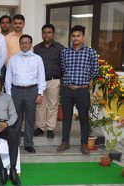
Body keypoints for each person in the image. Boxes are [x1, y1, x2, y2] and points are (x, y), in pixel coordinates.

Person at [57, 25, 98, 155]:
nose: (75, 38)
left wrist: (84, 81)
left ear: (83, 36)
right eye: (73, 36)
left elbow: (95, 70)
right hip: (67, 90)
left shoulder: (90, 52)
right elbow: (63, 69)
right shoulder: (65, 52)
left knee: (84, 118)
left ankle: (84, 144)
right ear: (71, 37)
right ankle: (65, 142)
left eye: (78, 36)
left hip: (82, 91)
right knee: (67, 117)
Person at [5, 34, 46, 153]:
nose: (24, 44)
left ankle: (28, 143)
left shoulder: (37, 58)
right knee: (15, 119)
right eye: (22, 42)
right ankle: (15, 143)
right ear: (19, 44)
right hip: (16, 91)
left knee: (30, 119)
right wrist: (9, 94)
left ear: (31, 44)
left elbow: (41, 77)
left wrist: (40, 93)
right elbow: (8, 78)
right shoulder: (13, 58)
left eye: (27, 42)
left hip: (32, 90)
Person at [33, 24, 65, 139]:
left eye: (49, 32)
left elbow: (63, 66)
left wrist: (61, 80)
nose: (46, 34)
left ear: (53, 34)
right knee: (40, 105)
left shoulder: (60, 48)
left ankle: (51, 128)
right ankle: (40, 127)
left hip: (54, 81)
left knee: (52, 105)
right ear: (42, 34)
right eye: (44, 32)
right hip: (39, 82)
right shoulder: (37, 48)